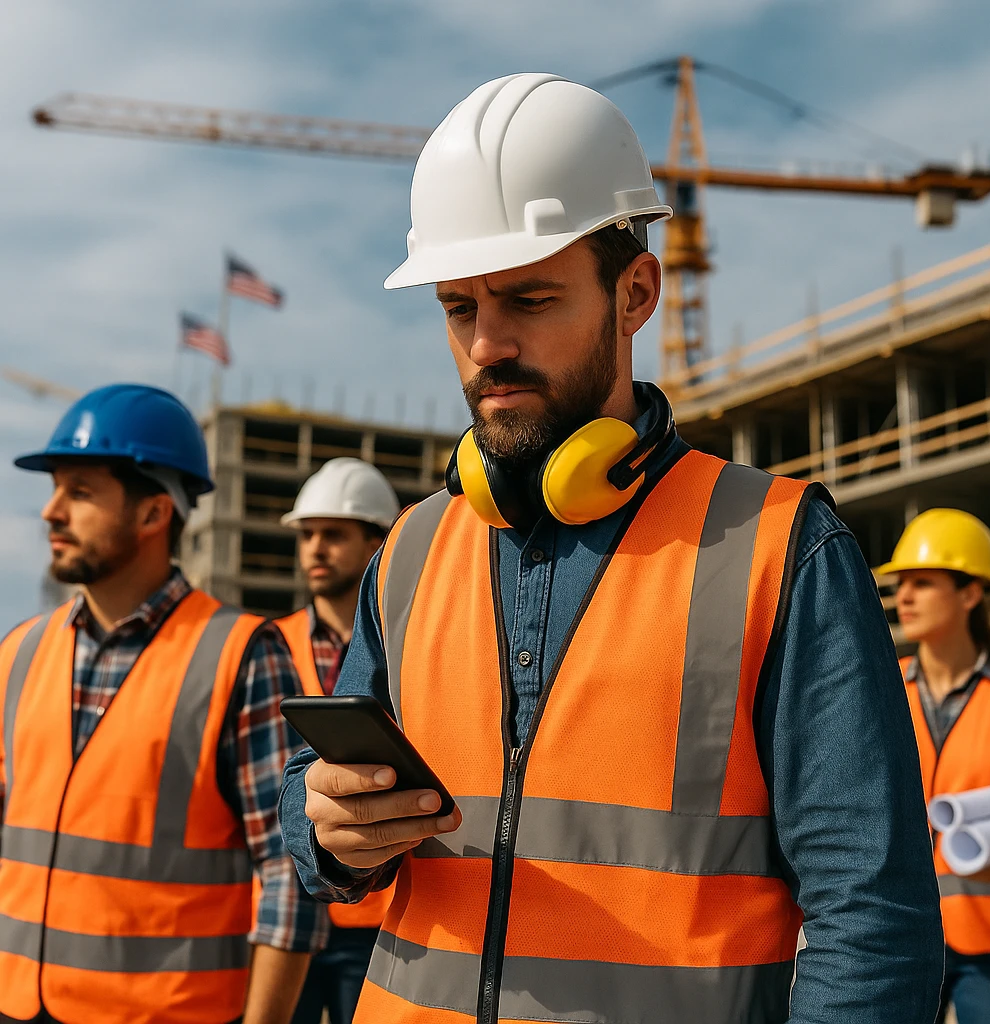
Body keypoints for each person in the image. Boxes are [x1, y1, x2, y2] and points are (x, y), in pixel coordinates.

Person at [279, 74, 944, 1024]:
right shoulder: (413, 550)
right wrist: (331, 830)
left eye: (529, 298)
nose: (486, 345)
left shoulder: (780, 548)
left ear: (635, 294)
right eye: (459, 308)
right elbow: (310, 812)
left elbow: (872, 920)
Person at [0, 384, 327, 1024]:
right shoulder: (19, 651)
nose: (51, 512)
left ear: (153, 514)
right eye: (56, 490)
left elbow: (289, 872)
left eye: (80, 492)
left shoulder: (240, 654)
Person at [880, 508, 990, 1023]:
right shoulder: (880, 688)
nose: (904, 597)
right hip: (900, 932)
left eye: (923, 582)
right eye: (900, 584)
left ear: (971, 594)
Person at [276, 457, 400, 1024]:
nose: (315, 549)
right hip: (284, 910)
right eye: (307, 535)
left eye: (333, 534)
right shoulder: (268, 645)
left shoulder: (403, 650)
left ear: (376, 544)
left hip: (377, 914)